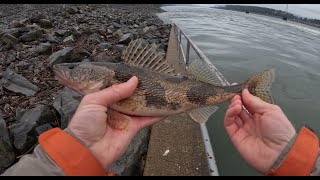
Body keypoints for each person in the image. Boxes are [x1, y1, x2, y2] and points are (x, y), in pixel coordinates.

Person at [1, 76, 319, 176]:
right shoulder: (105, 92)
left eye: (74, 69)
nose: (65, 71)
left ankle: (247, 87)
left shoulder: (112, 84)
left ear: (102, 78)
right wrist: (293, 158)